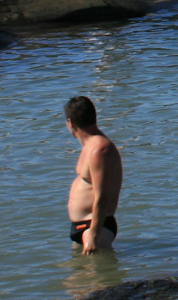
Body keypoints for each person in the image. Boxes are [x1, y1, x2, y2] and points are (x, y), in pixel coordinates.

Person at [65, 96, 122, 254]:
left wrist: (94, 234)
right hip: (82, 227)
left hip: (96, 227)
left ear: (70, 123)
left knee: (99, 278)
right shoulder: (89, 146)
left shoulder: (100, 149)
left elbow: (101, 196)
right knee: (79, 277)